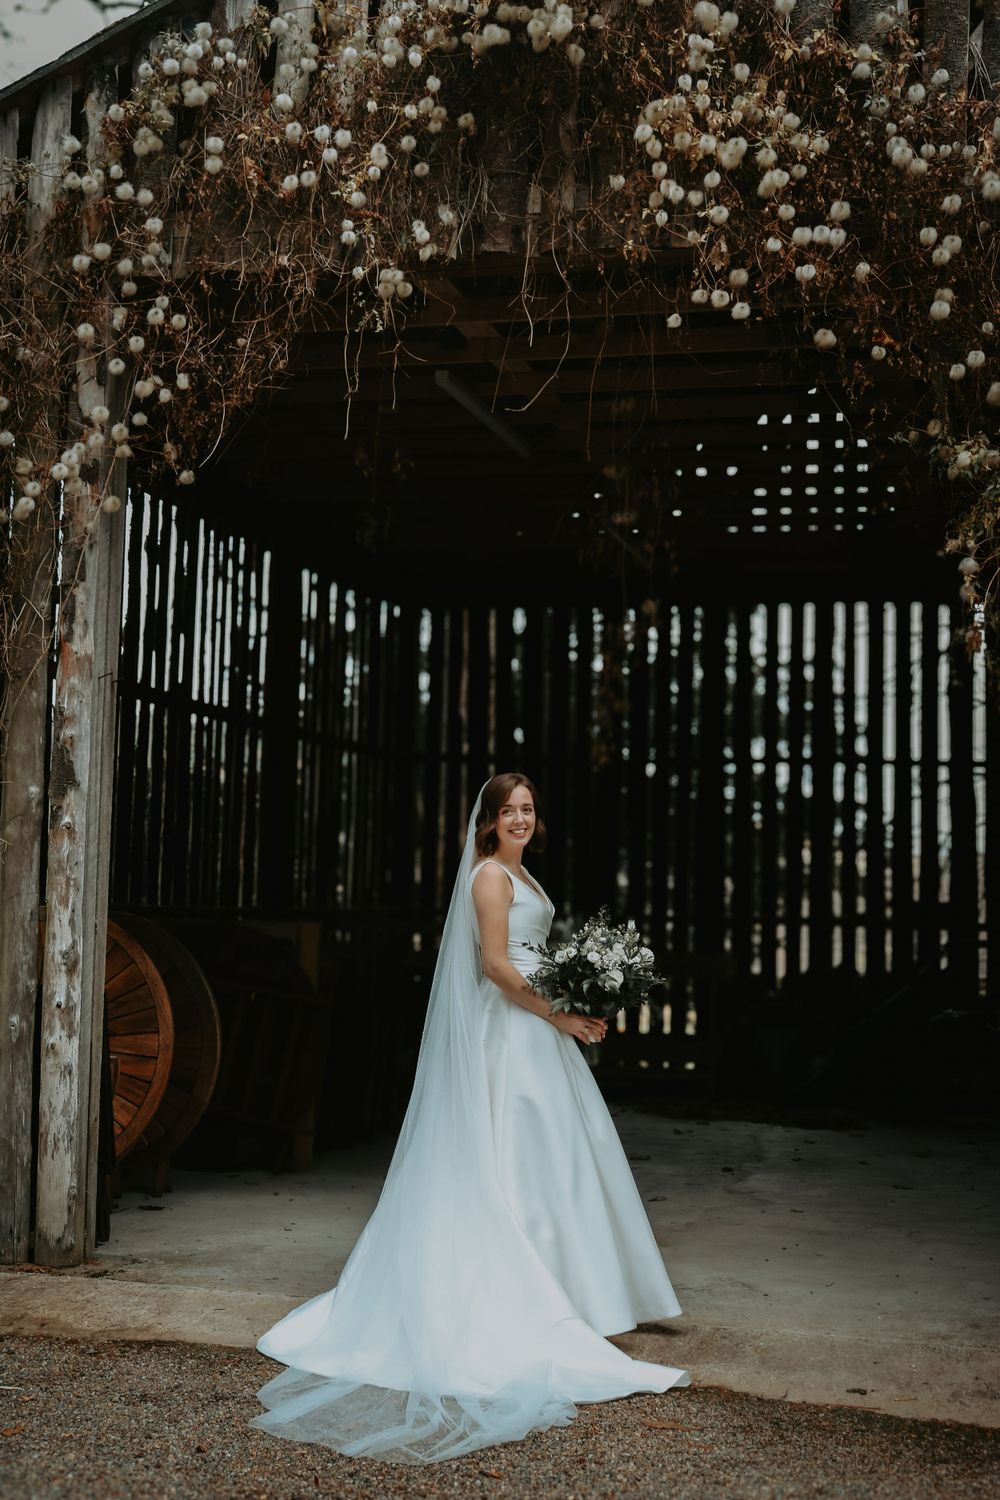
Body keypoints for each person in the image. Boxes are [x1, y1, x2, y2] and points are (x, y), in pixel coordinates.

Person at [252, 774, 690, 1464]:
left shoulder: (527, 878)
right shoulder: (490, 878)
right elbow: (493, 966)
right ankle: (532, 1295)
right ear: (488, 822)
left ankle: (580, 1293)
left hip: (538, 1031)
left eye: (528, 809)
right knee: (519, 1152)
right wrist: (560, 1013)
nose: (520, 818)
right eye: (508, 811)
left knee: (561, 1158)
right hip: (511, 1034)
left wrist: (576, 992)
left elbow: (532, 957)